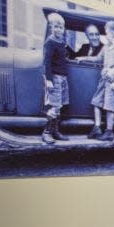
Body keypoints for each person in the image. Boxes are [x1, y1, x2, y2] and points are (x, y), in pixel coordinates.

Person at [82, 21, 114, 141]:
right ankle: (97, 128)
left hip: (112, 81)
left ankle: (109, 131)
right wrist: (84, 58)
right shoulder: (106, 47)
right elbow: (98, 58)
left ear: (113, 33)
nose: (105, 35)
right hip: (103, 79)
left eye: (106, 32)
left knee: (109, 106)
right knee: (96, 102)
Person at [41, 12, 70, 144]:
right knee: (54, 105)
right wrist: (49, 80)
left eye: (61, 27)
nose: (59, 29)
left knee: (59, 105)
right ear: (51, 27)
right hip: (55, 78)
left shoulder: (61, 42)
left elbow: (63, 57)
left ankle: (56, 131)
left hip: (63, 78)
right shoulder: (50, 42)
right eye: (56, 27)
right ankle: (46, 133)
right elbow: (47, 62)